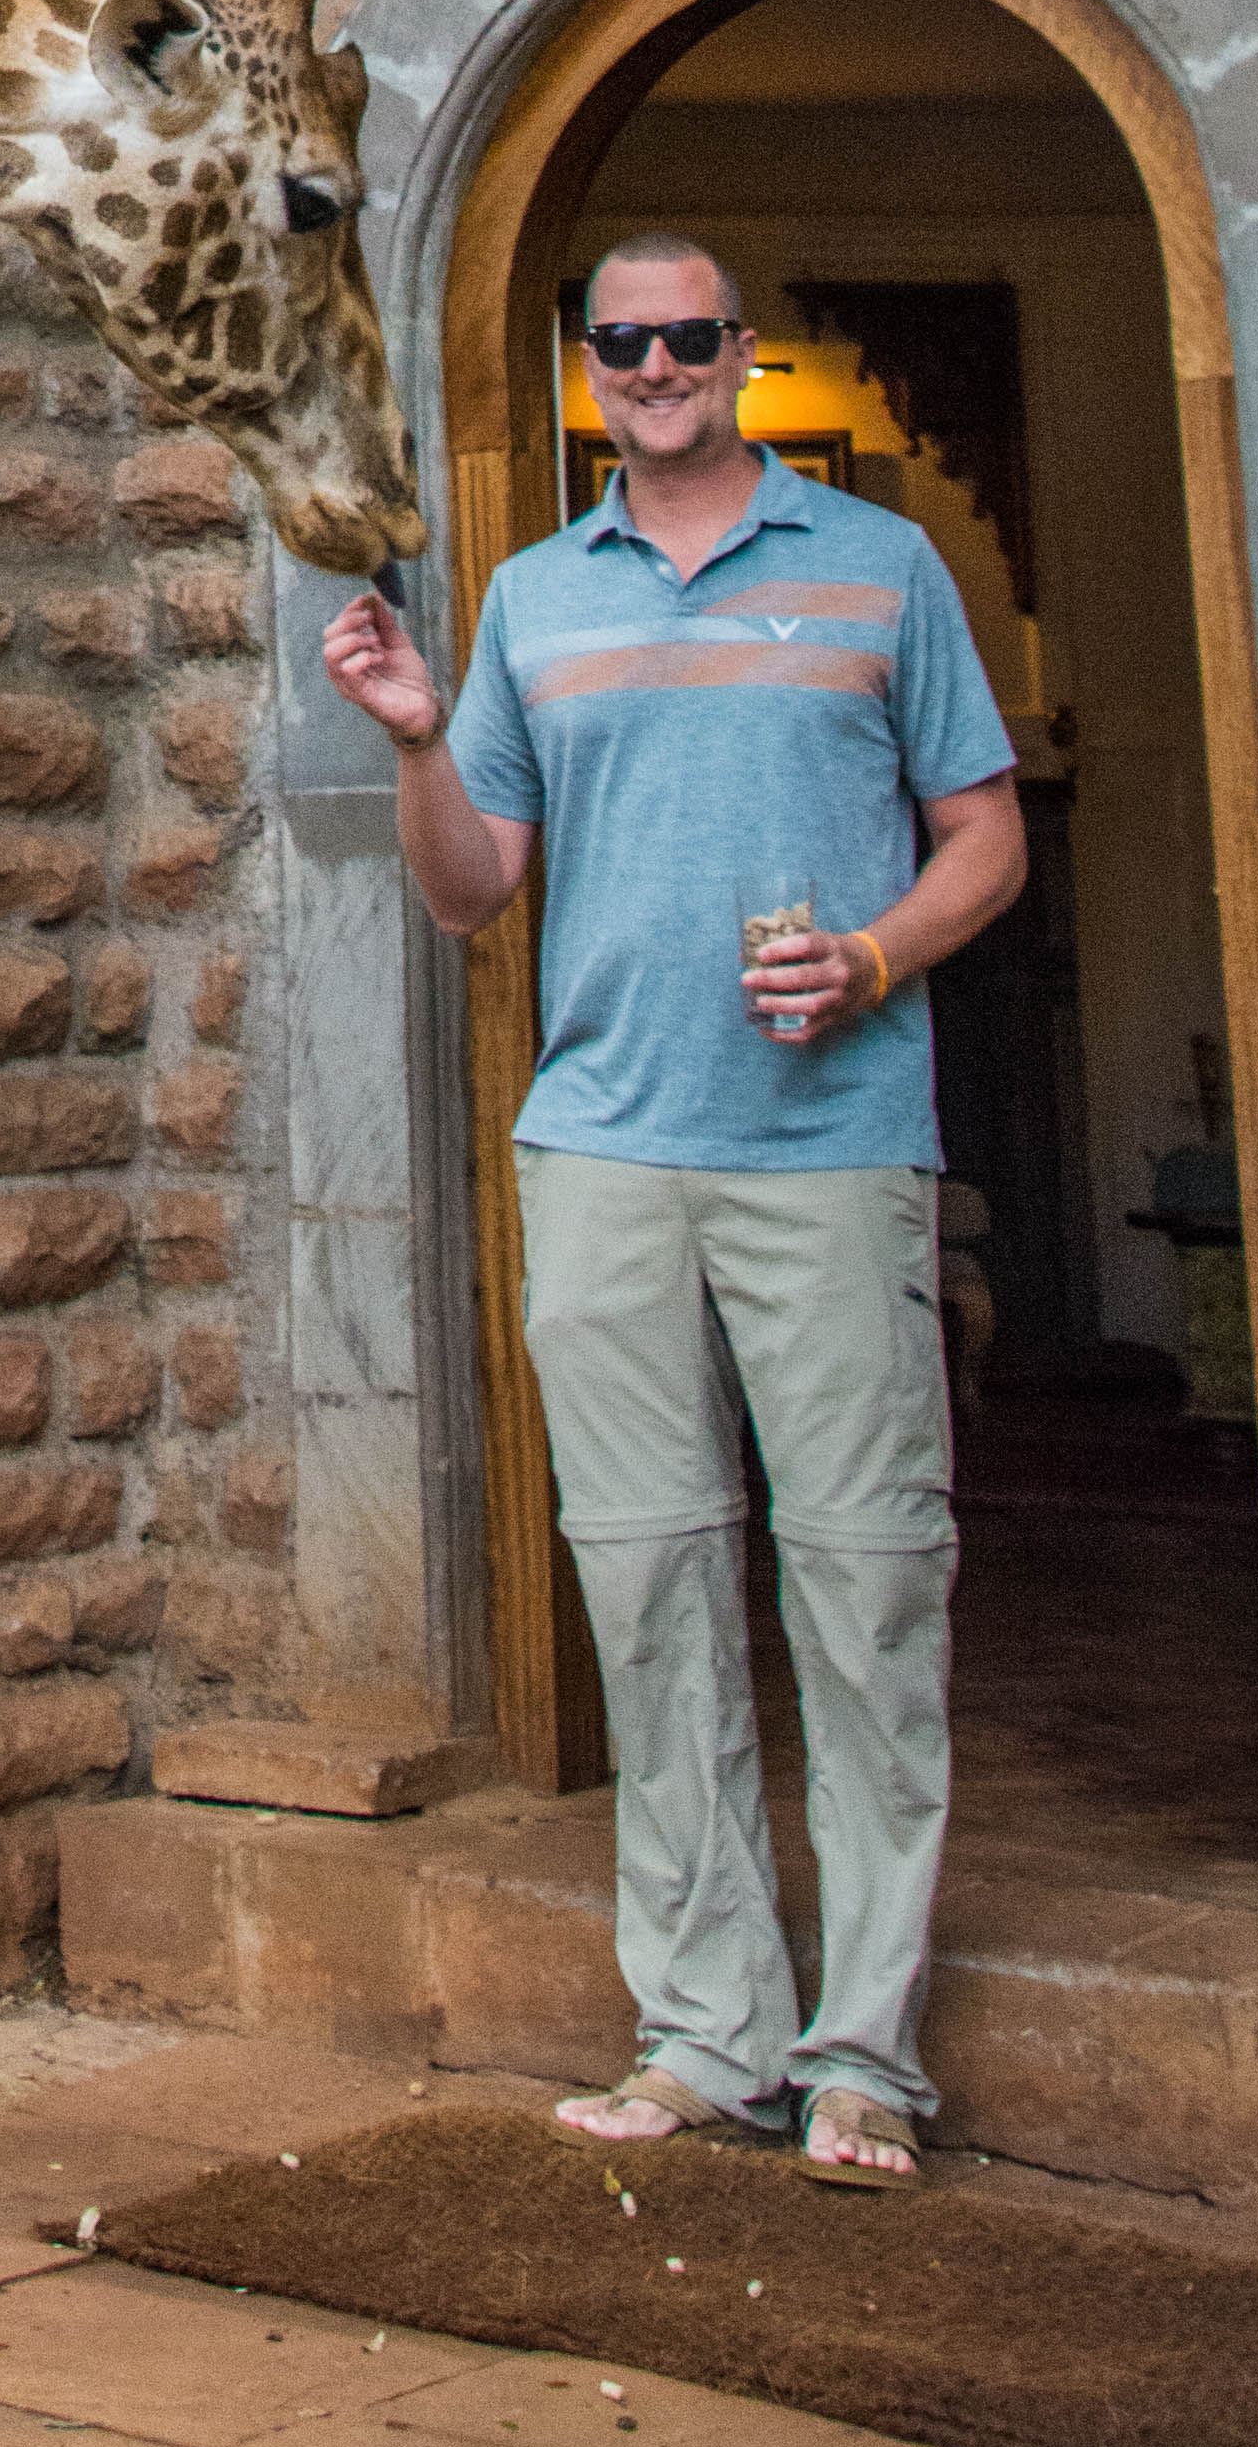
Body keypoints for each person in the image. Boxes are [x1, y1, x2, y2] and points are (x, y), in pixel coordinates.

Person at [321, 230, 1026, 2182]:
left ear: (737, 350)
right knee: (648, 1592)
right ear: (587, 366)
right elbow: (469, 889)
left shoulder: (878, 566)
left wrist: (871, 959)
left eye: (685, 336)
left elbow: (985, 839)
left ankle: (863, 2054)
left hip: (832, 1149)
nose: (652, 364)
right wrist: (412, 738)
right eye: (619, 341)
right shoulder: (535, 595)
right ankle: (707, 2033)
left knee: (868, 1587)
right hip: (604, 1155)